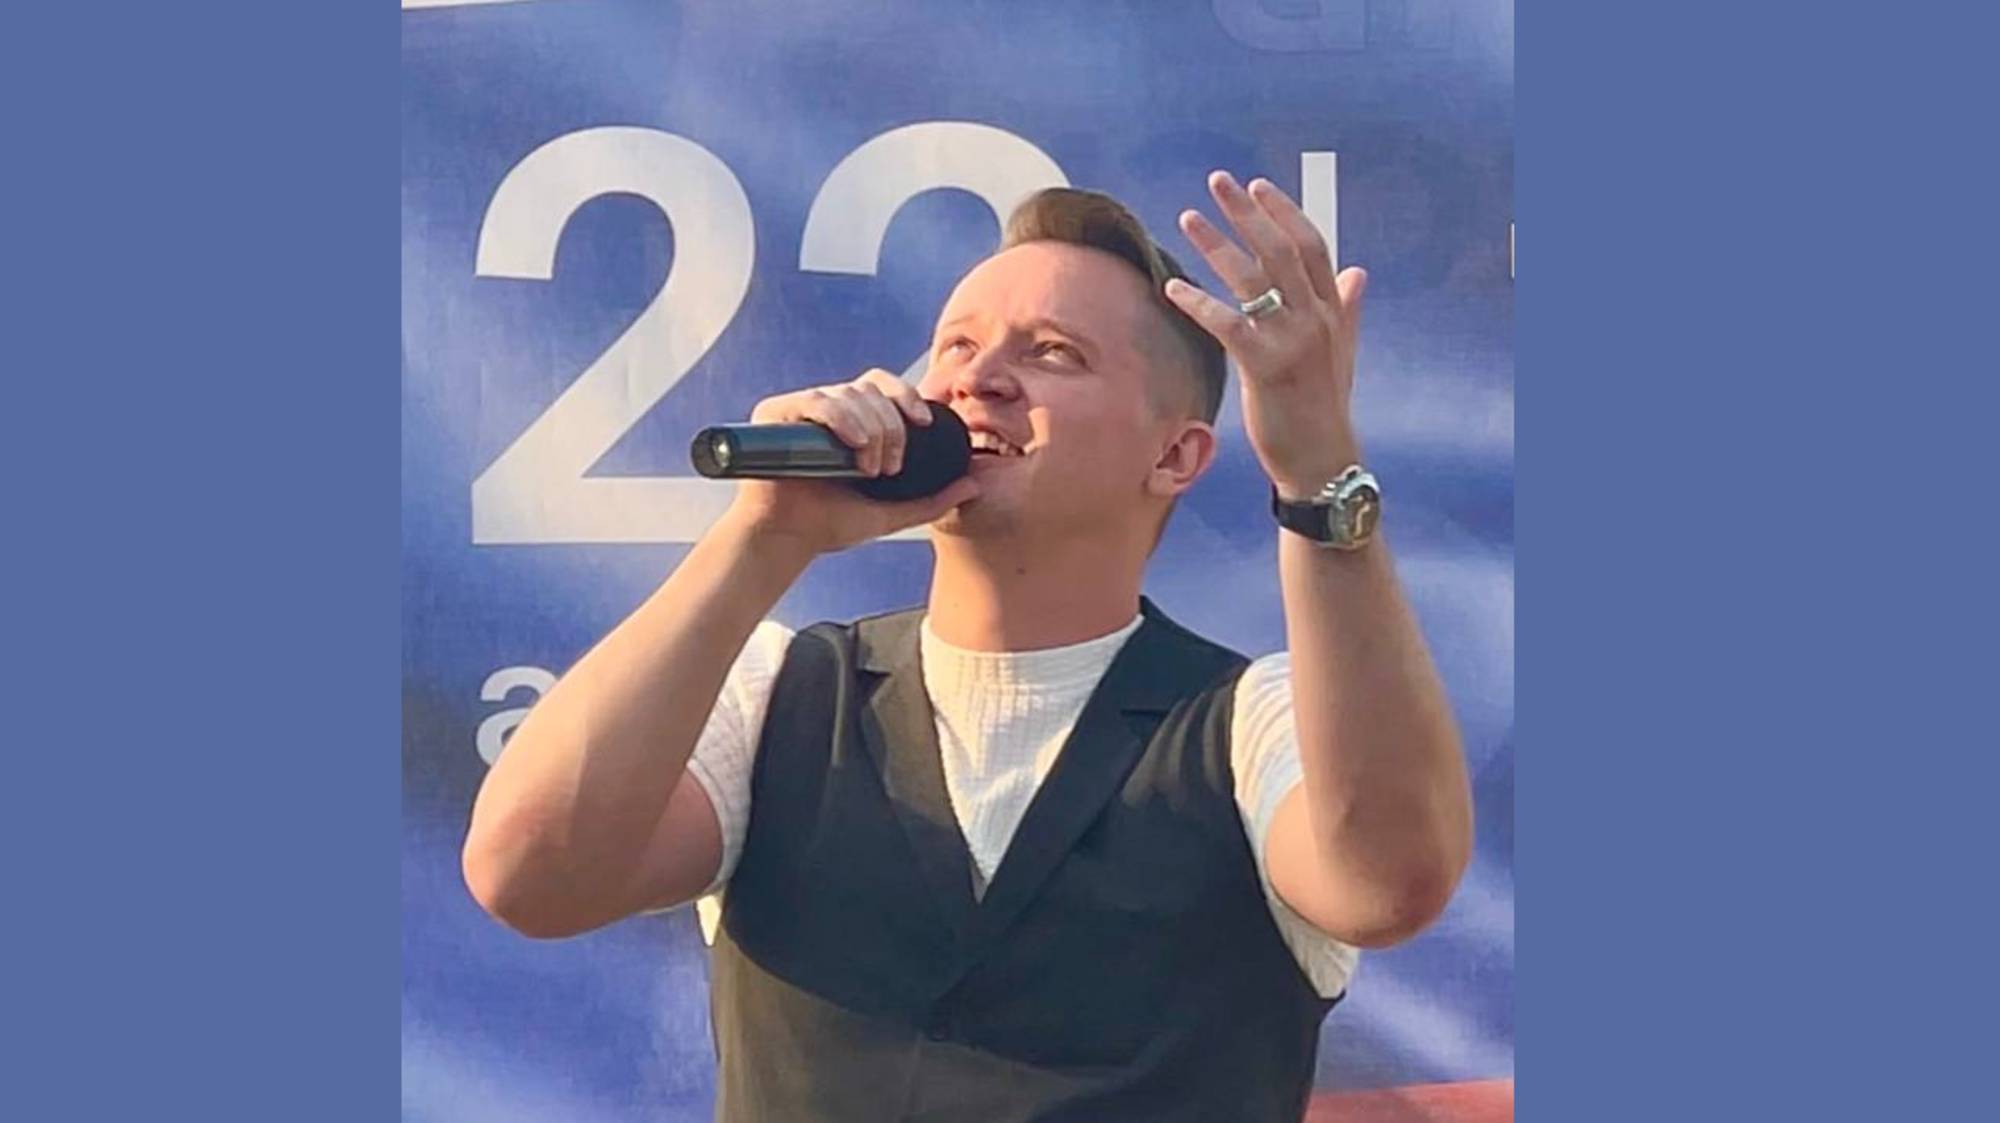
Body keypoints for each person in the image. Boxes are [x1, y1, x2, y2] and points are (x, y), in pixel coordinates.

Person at [462, 175, 1473, 1122]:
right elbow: (529, 871)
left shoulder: (1246, 729)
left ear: (1173, 455)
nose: (978, 380)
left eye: (1051, 354)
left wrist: (1317, 472)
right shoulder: (781, 693)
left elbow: (1386, 878)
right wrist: (762, 539)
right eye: (955, 346)